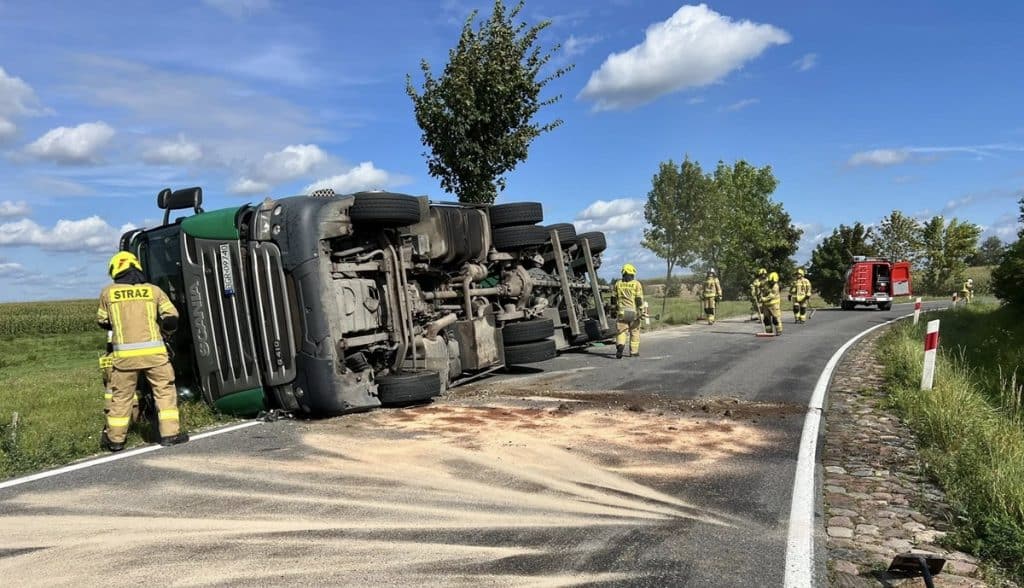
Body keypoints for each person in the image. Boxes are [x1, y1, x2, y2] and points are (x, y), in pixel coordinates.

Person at [96, 251, 188, 452]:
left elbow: (103, 322)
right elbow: (171, 317)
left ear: (115, 270)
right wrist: (165, 331)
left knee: (121, 397)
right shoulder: (153, 291)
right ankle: (170, 434)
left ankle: (116, 441)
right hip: (155, 355)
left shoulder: (107, 293)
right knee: (164, 392)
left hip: (124, 359)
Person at [612, 263, 644, 359]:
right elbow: (638, 299)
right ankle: (634, 352)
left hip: (622, 313)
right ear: (632, 274)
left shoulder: (618, 283)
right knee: (634, 331)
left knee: (621, 331)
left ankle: (620, 346)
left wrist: (614, 309)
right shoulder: (636, 284)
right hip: (633, 313)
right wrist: (641, 311)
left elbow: (613, 298)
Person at [759, 271, 783, 336]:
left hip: (774, 304)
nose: (771, 282)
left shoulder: (776, 286)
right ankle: (768, 331)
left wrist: (763, 299)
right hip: (766, 305)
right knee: (766, 319)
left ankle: (779, 331)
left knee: (775, 319)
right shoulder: (766, 283)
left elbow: (771, 295)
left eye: (772, 281)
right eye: (770, 281)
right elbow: (762, 289)